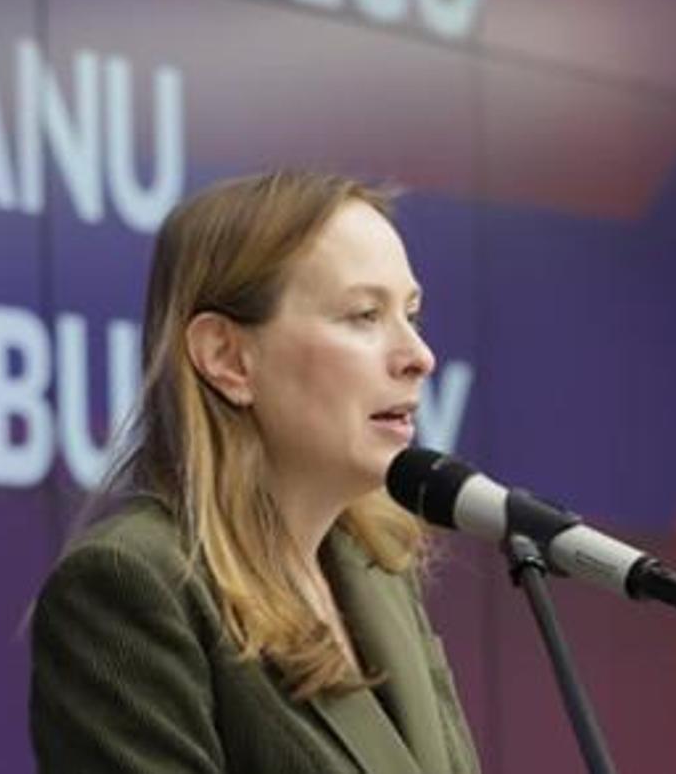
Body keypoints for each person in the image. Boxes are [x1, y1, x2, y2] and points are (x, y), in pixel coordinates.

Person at [29, 170, 480, 774]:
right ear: (227, 357)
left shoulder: (378, 576)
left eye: (412, 315)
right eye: (364, 315)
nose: (419, 357)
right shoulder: (131, 583)